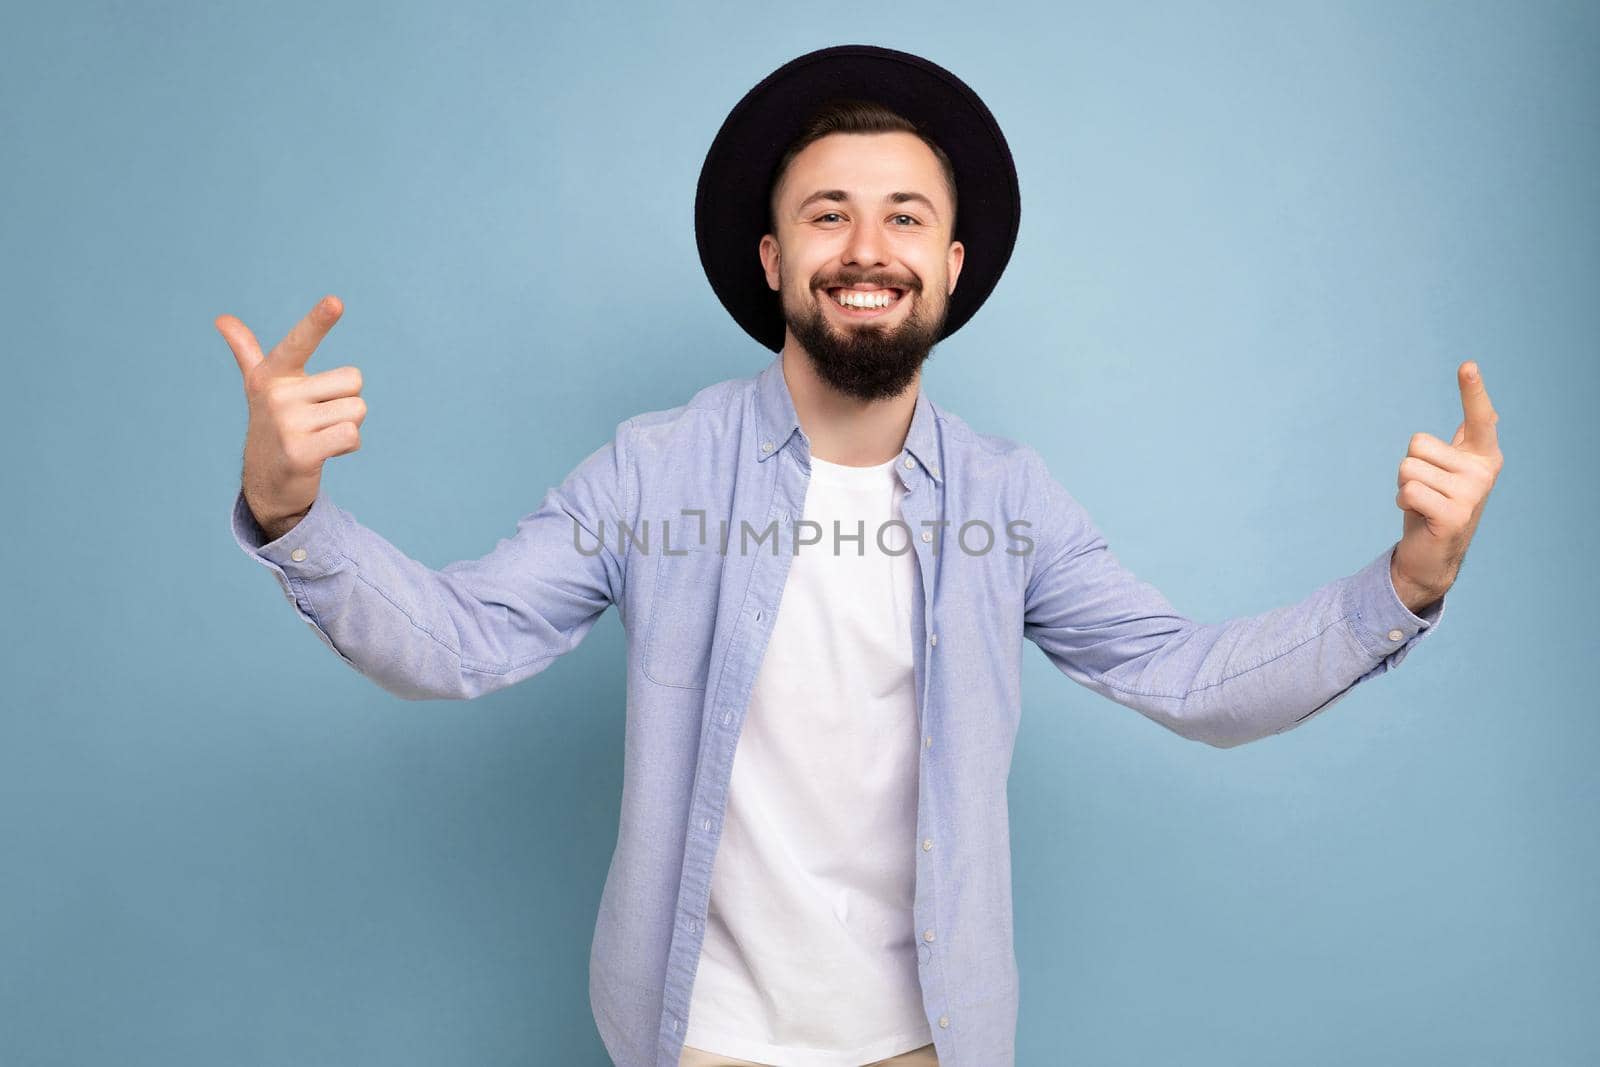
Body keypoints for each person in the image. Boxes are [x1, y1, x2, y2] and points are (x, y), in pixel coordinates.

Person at [218, 45, 1502, 1067]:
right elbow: (464, 639)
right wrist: (295, 518)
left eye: (902, 217)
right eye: (826, 216)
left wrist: (1406, 585)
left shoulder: (1009, 499)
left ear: (948, 265)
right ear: (774, 260)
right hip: (697, 1035)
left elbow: (1186, 676)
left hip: (927, 1042)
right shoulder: (655, 467)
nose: (865, 248)